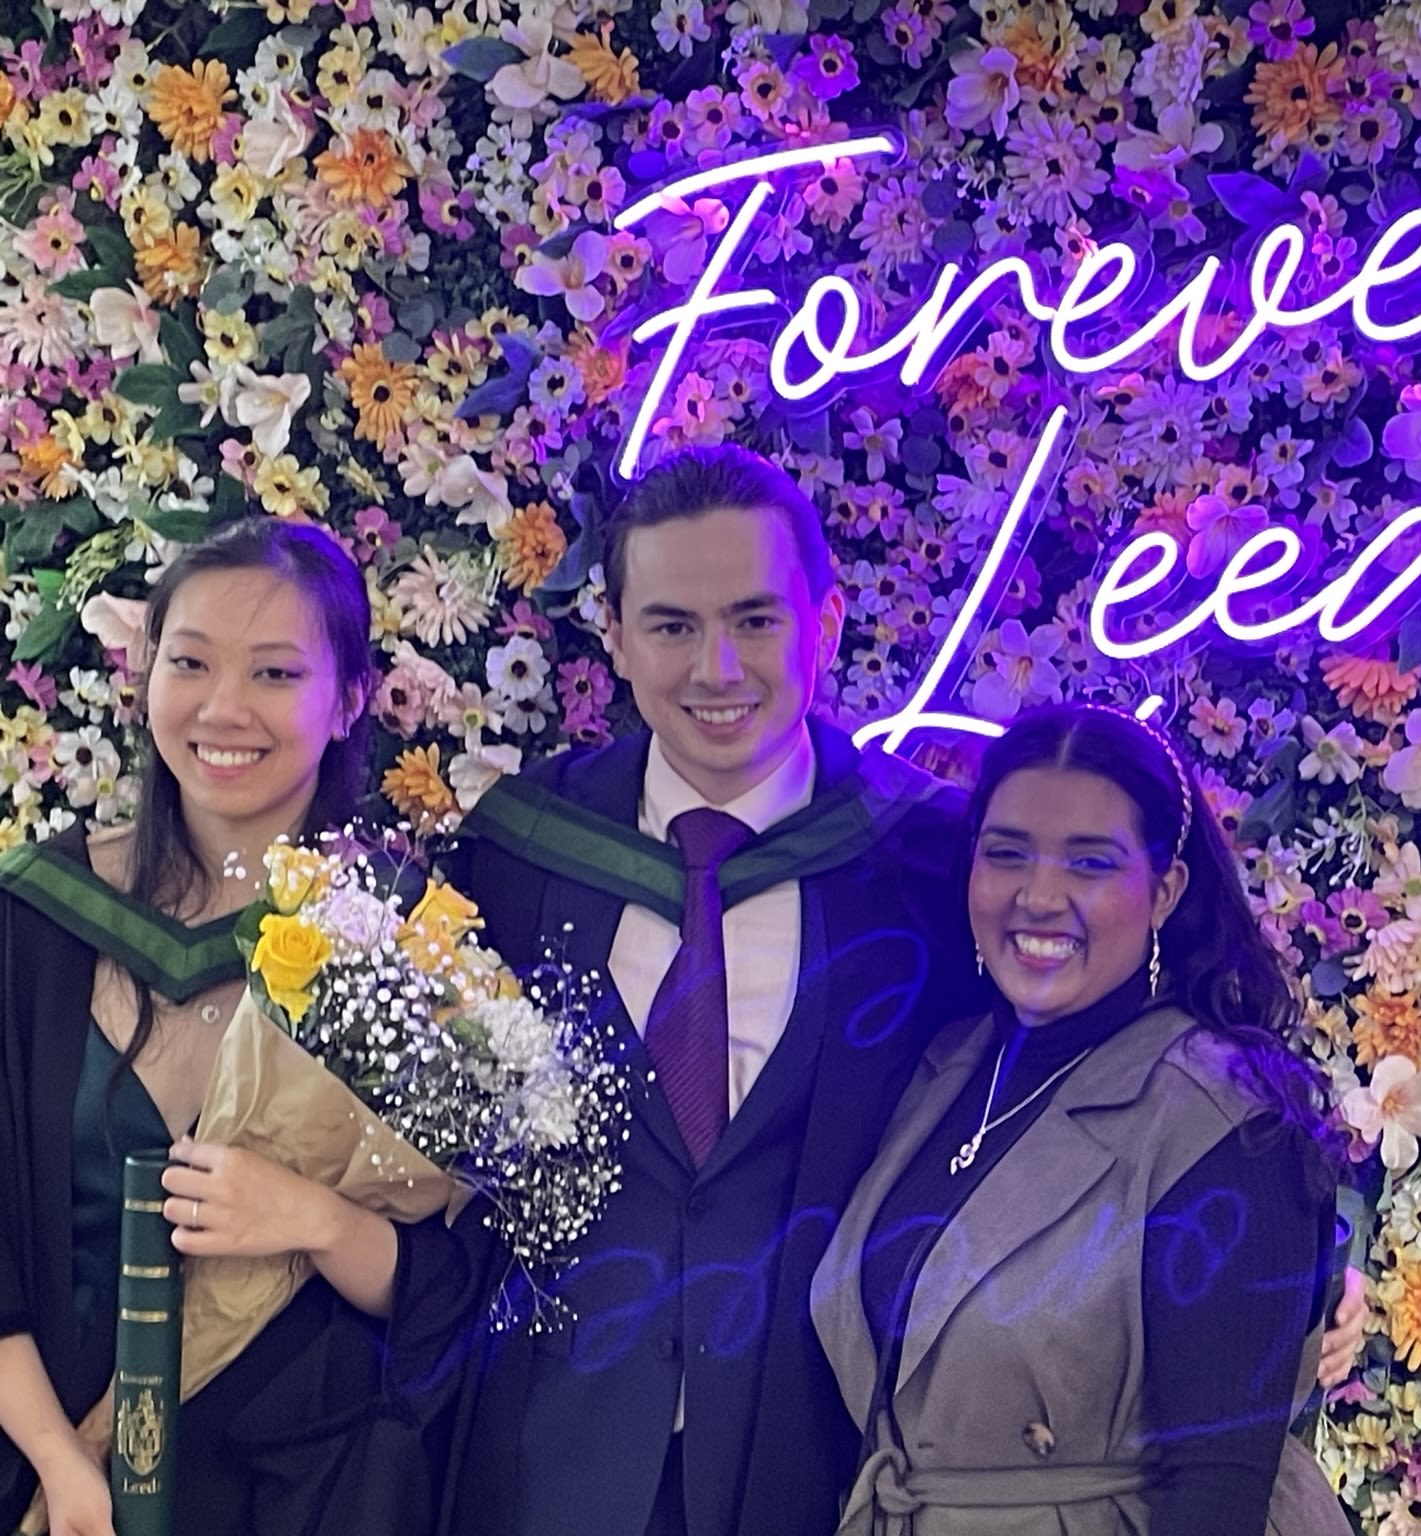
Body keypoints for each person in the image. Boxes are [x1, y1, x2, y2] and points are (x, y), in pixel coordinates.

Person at [431, 446, 1367, 1536]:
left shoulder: (933, 863)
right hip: (550, 1456)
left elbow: (1124, 1088)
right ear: (616, 632)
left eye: (755, 620)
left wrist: (1314, 1254)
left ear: (823, 625)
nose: (716, 668)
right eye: (673, 625)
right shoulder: (518, 857)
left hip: (816, 1470)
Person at [0, 519, 471, 1536]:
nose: (223, 708)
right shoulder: (34, 919)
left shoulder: (405, 942)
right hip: (43, 1474)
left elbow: (456, 1290)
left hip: (305, 1492)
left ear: (347, 699)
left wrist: (317, 1219)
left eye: (274, 672)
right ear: (143, 677)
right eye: (191, 662)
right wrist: (57, 1463)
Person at [812, 703, 1353, 1536]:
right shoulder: (944, 1071)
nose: (1039, 895)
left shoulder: (1223, 1118)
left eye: (1090, 863)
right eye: (1007, 854)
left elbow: (1217, 1496)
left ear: (1165, 890)